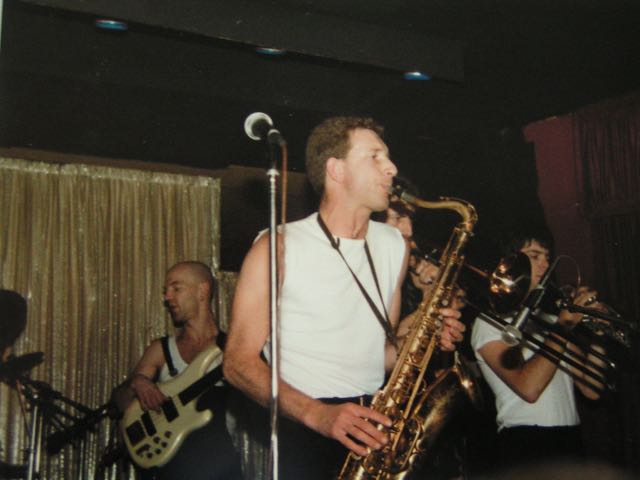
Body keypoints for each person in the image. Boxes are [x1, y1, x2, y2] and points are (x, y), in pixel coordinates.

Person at [223, 116, 466, 479]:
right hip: (304, 431)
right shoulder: (276, 247)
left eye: (389, 156)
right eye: (375, 156)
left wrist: (427, 334)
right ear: (336, 170)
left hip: (377, 427)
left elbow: (384, 355)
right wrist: (318, 415)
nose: (392, 167)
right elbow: (237, 364)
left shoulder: (394, 246)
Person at [470, 232, 606, 471]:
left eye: (547, 257)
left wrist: (599, 333)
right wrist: (564, 327)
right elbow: (529, 388)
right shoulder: (490, 323)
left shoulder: (551, 319)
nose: (545, 264)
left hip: (569, 439)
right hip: (527, 442)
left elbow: (591, 389)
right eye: (535, 256)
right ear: (510, 263)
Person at [111, 261, 241, 480]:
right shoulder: (161, 349)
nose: (167, 297)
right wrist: (138, 382)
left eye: (176, 288)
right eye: (166, 291)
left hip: (219, 464)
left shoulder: (232, 348)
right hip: (171, 467)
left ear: (202, 290)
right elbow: (119, 402)